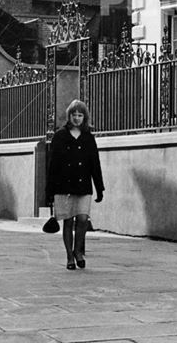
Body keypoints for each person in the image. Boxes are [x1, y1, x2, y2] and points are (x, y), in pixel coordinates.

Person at [45, 99, 104, 270]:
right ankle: (69, 256)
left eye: (80, 115)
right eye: (74, 115)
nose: (77, 118)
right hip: (63, 186)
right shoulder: (60, 136)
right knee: (68, 221)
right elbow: (53, 165)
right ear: (69, 116)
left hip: (83, 185)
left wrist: (99, 188)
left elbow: (95, 164)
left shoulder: (88, 138)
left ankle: (78, 251)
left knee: (83, 219)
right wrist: (49, 192)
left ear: (85, 117)